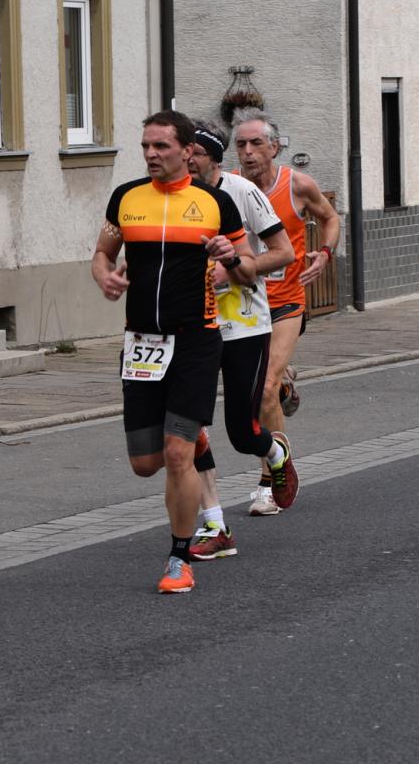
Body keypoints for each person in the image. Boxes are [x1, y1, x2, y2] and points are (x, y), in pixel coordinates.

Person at [91, 110, 259, 594]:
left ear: (187, 151)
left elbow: (249, 266)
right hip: (142, 343)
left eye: (161, 146)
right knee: (145, 463)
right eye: (146, 146)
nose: (151, 154)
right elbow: (102, 253)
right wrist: (105, 276)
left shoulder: (215, 202)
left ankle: (179, 560)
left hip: (196, 341)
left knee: (176, 453)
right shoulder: (127, 198)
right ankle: (194, 438)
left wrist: (230, 258)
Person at [179, 120, 296, 562]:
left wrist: (233, 269)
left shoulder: (242, 192)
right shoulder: (173, 198)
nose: (187, 160)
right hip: (194, 327)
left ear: (212, 157)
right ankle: (214, 523)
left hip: (245, 324)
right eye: (183, 152)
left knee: (243, 434)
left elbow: (284, 252)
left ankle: (275, 453)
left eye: (194, 152)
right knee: (188, 427)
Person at [229, 108, 341, 515]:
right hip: (244, 306)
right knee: (260, 389)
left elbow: (330, 218)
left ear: (274, 147)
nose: (248, 151)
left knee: (263, 390)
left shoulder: (297, 185)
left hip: (286, 302)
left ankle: (268, 481)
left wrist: (324, 253)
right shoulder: (229, 188)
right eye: (241, 144)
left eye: (256, 143)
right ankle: (286, 384)